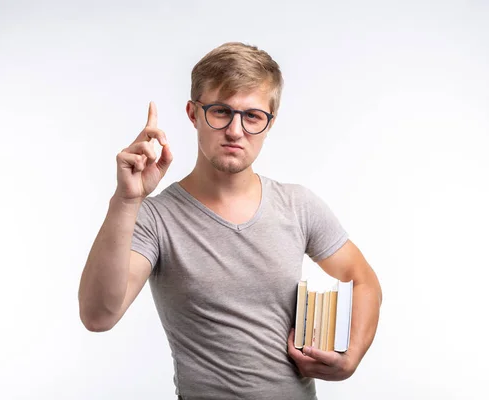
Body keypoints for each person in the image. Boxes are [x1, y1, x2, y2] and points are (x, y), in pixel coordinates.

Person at [78, 42, 382, 400]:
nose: (236, 131)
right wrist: (126, 200)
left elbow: (364, 281)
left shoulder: (298, 205)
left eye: (252, 116)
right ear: (193, 113)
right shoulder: (155, 218)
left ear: (270, 123)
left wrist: (352, 357)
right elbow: (98, 316)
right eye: (221, 112)